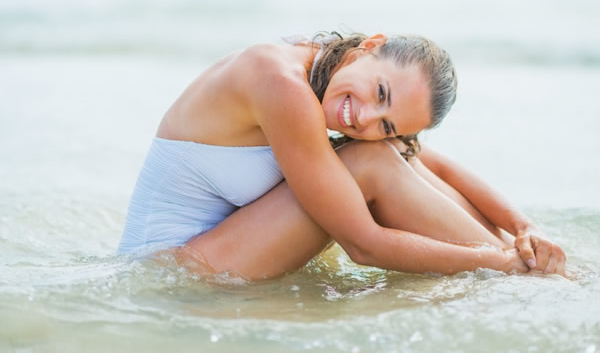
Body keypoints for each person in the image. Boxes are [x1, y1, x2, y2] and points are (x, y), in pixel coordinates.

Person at [117, 32, 567, 280]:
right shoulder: (281, 82)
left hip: (214, 253)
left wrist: (524, 228)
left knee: (385, 154)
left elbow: (431, 164)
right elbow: (363, 245)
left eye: (387, 120)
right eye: (381, 92)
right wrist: (500, 263)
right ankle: (527, 270)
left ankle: (529, 256)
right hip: (176, 271)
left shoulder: (327, 73)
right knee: (369, 160)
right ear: (369, 46)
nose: (365, 116)